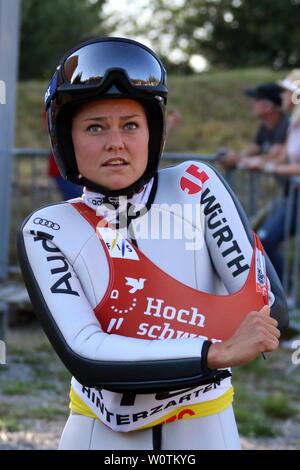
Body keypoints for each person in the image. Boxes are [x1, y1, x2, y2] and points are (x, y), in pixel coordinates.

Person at [17, 37, 288, 451]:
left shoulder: (195, 187)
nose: (116, 142)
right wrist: (215, 352)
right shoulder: (49, 228)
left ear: (153, 132)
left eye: (130, 124)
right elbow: (87, 355)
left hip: (204, 427)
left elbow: (268, 312)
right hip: (98, 432)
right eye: (95, 127)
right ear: (66, 139)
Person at [251, 70, 300, 285]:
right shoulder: (293, 125)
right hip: (294, 195)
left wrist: (270, 168)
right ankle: (283, 294)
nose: (281, 96)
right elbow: (282, 156)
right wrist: (263, 163)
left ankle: (285, 295)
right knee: (266, 238)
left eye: (287, 92)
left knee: (267, 238)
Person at [219, 82, 289, 170]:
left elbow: (274, 156)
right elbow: (253, 150)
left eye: (256, 100)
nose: (251, 103)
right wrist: (236, 156)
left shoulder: (285, 124)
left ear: (268, 106)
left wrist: (238, 160)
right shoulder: (265, 126)